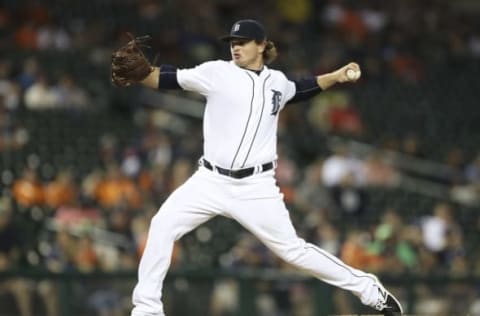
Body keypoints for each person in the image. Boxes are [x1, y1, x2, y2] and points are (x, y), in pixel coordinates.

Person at [111, 19, 403, 316]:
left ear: (262, 45)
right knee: (162, 224)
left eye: (242, 42)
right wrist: (143, 75)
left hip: (256, 187)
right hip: (209, 180)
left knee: (293, 250)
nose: (235, 47)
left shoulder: (276, 81)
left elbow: (301, 89)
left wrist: (337, 76)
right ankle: (146, 310)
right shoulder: (216, 72)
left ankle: (369, 289)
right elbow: (165, 78)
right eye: (233, 42)